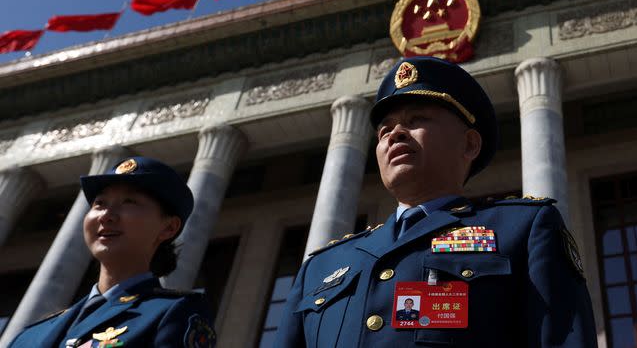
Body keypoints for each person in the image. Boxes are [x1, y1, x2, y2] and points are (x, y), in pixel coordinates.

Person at [275, 56, 597, 347]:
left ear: (470, 144)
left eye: (416, 119)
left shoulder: (522, 230)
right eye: (384, 130)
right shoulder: (321, 267)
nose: (395, 134)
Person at [9, 156, 216, 348]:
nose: (106, 216)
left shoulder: (175, 313)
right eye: (100, 204)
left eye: (129, 202)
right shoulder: (29, 335)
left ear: (168, 228)